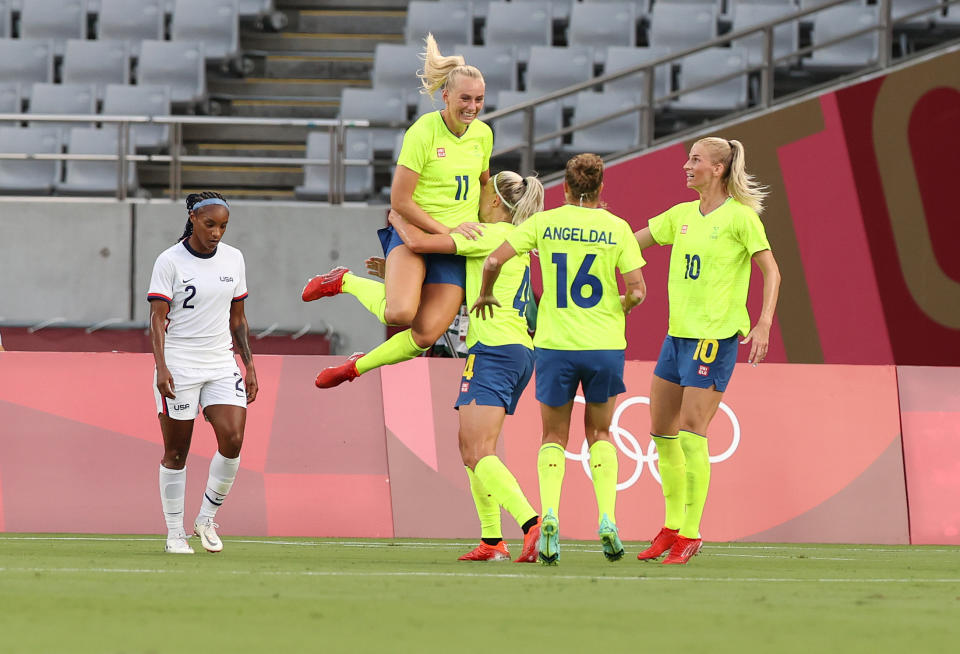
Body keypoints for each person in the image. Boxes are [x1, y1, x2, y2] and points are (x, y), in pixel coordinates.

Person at [472, 154, 647, 565]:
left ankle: (549, 514)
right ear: (601, 190)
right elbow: (638, 291)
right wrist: (618, 305)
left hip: (555, 345)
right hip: (604, 344)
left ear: (564, 189)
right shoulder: (617, 227)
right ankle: (607, 519)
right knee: (600, 435)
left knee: (553, 437)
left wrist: (485, 292)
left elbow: (495, 258)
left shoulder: (543, 223)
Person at [302, 33, 491, 388]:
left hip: (455, 248)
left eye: (479, 99)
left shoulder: (483, 134)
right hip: (416, 232)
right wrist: (445, 231)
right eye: (465, 98)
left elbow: (484, 187)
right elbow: (399, 202)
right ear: (446, 96)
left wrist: (486, 232)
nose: (473, 106)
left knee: (425, 336)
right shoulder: (423, 132)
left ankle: (355, 367)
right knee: (400, 312)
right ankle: (345, 281)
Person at [633, 137, 781, 565]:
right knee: (661, 430)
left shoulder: (741, 218)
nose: (686, 165)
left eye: (695, 160)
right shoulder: (680, 215)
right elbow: (631, 243)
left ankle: (692, 533)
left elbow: (771, 271)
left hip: (714, 339)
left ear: (717, 169)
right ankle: (672, 525)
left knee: (693, 430)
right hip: (676, 336)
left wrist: (764, 321)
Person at [387, 170, 545, 562]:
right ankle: (492, 542)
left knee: (478, 451)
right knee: (471, 449)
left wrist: (396, 215)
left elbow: (418, 241)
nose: (476, 196)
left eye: (483, 190)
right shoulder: (515, 240)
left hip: (494, 350)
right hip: (514, 350)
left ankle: (531, 524)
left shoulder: (487, 234)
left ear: (493, 202)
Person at [147, 192, 258, 555]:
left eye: (223, 226)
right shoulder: (170, 261)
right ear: (192, 218)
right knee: (177, 452)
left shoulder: (234, 259)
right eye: (210, 224)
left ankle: (206, 518)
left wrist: (249, 364)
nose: (216, 233)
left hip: (220, 362)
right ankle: (174, 532)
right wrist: (162, 367)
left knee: (233, 439)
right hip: (179, 364)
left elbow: (237, 319)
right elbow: (157, 320)